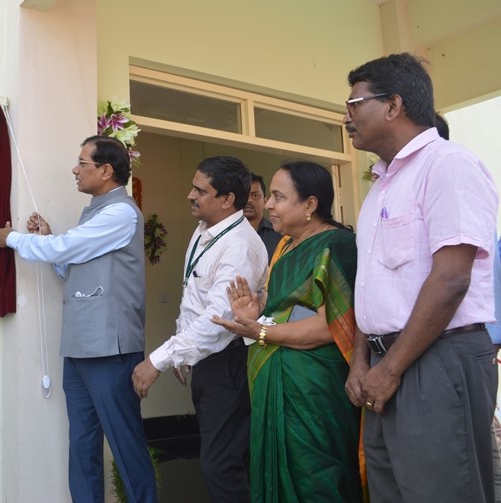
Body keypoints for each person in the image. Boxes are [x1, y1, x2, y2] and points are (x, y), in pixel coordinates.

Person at [343, 53, 498, 502]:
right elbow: (370, 287)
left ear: (393, 106)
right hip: (384, 366)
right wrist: (361, 360)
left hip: (436, 359)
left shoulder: (448, 165)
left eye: (355, 104)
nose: (347, 115)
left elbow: (451, 279)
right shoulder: (381, 185)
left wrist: (389, 369)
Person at [0, 135, 157, 502]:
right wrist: (48, 238)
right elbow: (73, 268)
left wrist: (15, 239)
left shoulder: (120, 212)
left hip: (109, 346)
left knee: (125, 444)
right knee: (82, 441)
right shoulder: (94, 213)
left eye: (83, 163)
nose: (75, 170)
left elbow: (68, 247)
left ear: (106, 170)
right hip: (81, 343)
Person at [213, 161, 363, 502]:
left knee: (316, 475)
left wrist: (263, 332)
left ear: (310, 205)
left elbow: (332, 326)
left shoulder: (337, 245)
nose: (267, 205)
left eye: (278, 197)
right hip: (277, 378)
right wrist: (256, 313)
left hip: (314, 389)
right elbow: (281, 310)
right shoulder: (285, 248)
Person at [132, 156, 268, 502]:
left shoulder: (239, 246)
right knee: (220, 462)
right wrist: (183, 353)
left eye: (200, 190)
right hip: (209, 363)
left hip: (230, 364)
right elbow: (194, 296)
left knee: (221, 466)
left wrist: (159, 359)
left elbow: (219, 320)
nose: (191, 195)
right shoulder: (205, 230)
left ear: (227, 200)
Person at [245, 173, 282, 259]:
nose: (249, 200)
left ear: (265, 201)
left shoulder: (279, 234)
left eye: (255, 195)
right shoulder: (225, 233)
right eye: (244, 195)